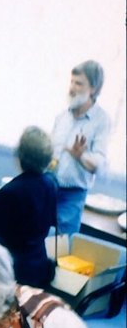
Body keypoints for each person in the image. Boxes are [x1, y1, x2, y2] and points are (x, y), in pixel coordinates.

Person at [0, 126, 58, 288]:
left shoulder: (10, 193)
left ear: (20, 156)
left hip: (10, 273)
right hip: (38, 266)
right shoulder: (51, 184)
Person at [51, 60, 110, 235]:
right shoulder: (62, 116)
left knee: (60, 248)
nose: (72, 87)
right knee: (39, 242)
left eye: (79, 83)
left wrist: (80, 156)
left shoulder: (101, 120)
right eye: (71, 81)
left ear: (93, 89)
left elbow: (99, 164)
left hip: (72, 196)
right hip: (49, 187)